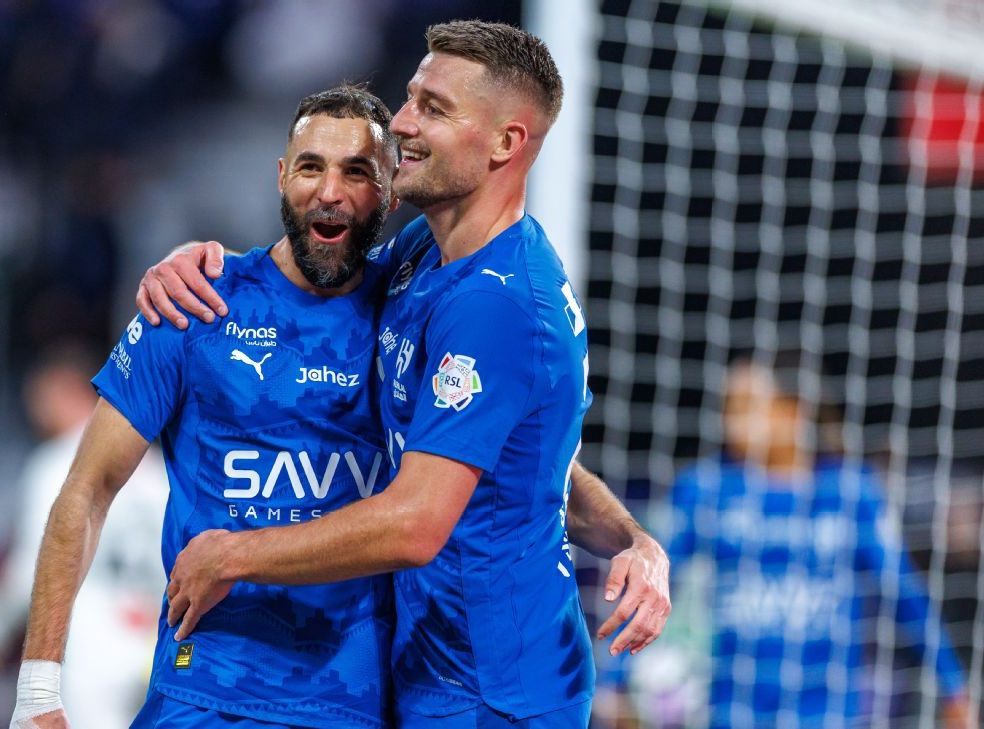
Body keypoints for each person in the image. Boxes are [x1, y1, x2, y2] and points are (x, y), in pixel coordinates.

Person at [144, 21, 670, 729]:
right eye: (412, 97)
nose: (401, 122)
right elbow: (531, 464)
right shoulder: (426, 247)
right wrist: (207, 265)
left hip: (495, 693)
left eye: (434, 108)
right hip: (431, 667)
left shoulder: (501, 308)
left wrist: (233, 555)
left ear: (505, 143)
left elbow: (417, 524)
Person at [10, 85, 405, 729]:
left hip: (350, 703)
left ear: (390, 192)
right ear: (282, 177)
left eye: (357, 171)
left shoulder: (415, 315)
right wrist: (36, 692)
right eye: (311, 166)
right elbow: (87, 489)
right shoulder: (194, 303)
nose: (330, 191)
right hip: (202, 699)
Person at [661, 353, 971, 729]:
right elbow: (655, 580)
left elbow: (903, 592)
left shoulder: (851, 491)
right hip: (733, 710)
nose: (731, 423)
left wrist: (953, 686)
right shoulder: (705, 489)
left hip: (827, 713)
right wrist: (614, 678)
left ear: (795, 410)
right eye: (728, 409)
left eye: (746, 407)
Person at [0, 346, 167, 727]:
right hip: (150, 640)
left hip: (91, 641)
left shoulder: (57, 462)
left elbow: (34, 562)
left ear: (68, 392)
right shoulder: (156, 467)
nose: (38, 417)